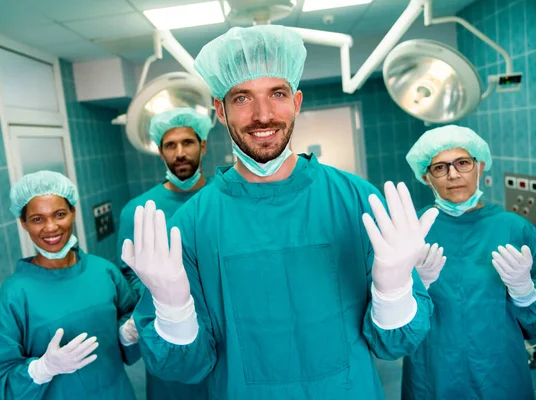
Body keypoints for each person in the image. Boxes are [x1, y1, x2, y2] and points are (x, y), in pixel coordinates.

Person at [120, 25, 440, 399]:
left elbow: (394, 345)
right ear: (220, 111)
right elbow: (186, 367)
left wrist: (394, 289)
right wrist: (173, 309)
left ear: (297, 102)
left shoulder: (356, 201)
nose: (263, 114)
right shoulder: (191, 225)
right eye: (242, 98)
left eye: (277, 93)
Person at [0, 171, 141, 400]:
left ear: (73, 212)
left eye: (59, 214)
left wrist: (127, 334)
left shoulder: (103, 271)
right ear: (23, 223)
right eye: (37, 219)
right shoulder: (13, 295)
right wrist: (41, 369)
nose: (51, 227)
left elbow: (132, 315)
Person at [402, 125, 536, 399]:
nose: (453, 175)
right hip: (432, 375)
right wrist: (411, 288)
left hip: (500, 376)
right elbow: (388, 329)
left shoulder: (515, 230)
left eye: (462, 163)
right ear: (427, 177)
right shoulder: (410, 230)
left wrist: (525, 293)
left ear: (480, 166)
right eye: (440, 168)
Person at [117, 107, 213, 399]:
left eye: (188, 142)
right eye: (171, 145)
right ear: (160, 151)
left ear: (203, 145)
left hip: (222, 328)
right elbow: (130, 274)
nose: (180, 152)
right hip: (167, 329)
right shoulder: (138, 210)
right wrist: (160, 298)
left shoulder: (223, 200)